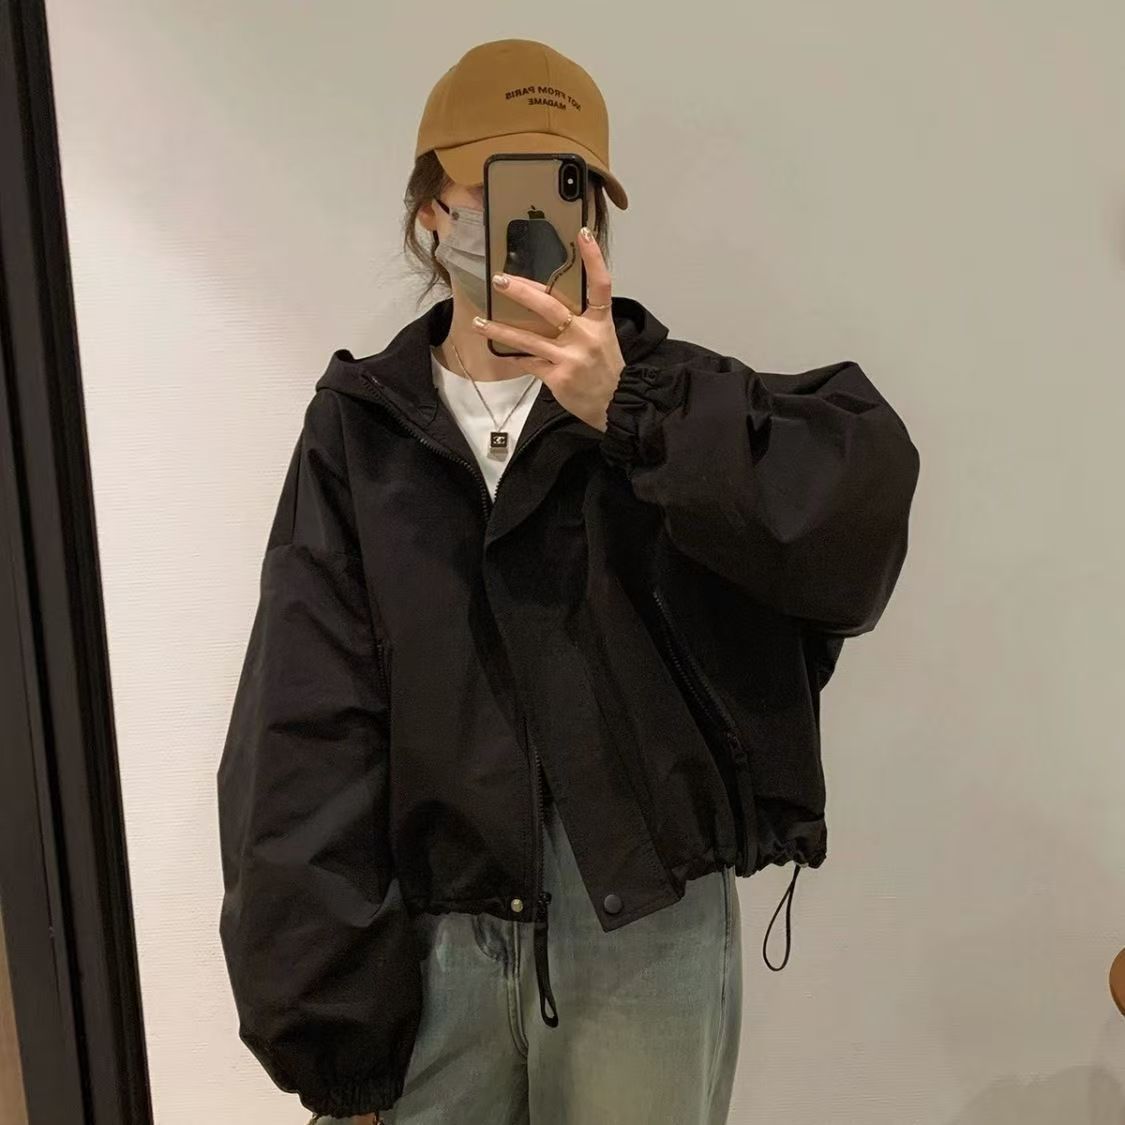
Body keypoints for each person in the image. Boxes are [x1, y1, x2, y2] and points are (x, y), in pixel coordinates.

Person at [216, 37, 920, 1125]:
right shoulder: (364, 432)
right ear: (430, 211)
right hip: (433, 942)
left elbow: (851, 527)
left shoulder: (664, 400)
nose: (535, 219)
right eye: (495, 186)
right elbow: (306, 723)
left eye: (567, 186)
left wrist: (630, 414)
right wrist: (329, 1029)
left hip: (644, 934)